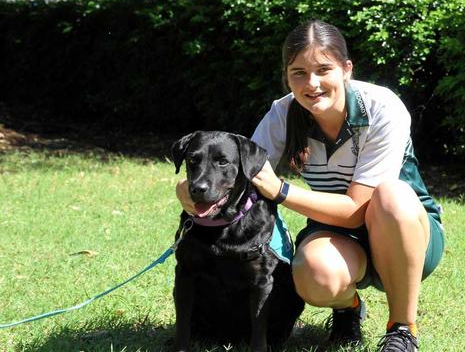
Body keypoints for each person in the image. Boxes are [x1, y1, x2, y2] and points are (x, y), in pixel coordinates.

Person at [176, 19, 444, 352]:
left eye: (323, 69)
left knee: (389, 197)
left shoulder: (383, 108)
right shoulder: (283, 113)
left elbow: (355, 211)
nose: (311, 83)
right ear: (286, 76)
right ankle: (348, 309)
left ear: (346, 69)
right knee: (314, 272)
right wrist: (187, 190)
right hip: (337, 233)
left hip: (407, 232)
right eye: (299, 73)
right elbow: (243, 172)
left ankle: (402, 329)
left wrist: (282, 191)